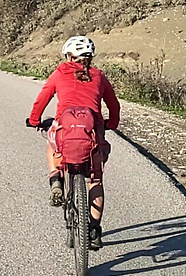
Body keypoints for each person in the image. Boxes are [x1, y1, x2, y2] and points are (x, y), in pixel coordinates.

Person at [26, 36, 120, 248]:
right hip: (92, 131)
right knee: (95, 180)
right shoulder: (99, 76)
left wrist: (34, 121)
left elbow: (42, 98)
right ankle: (93, 231)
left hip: (65, 128)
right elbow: (114, 105)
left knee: (52, 148)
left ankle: (56, 178)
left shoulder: (60, 72)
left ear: (69, 56)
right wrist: (111, 124)